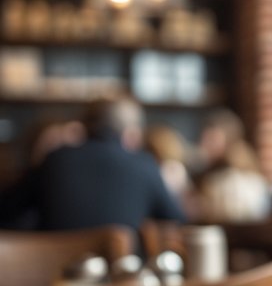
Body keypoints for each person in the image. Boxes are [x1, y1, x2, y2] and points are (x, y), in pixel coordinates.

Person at [0, 96, 185, 237]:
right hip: (124, 282)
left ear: (84, 126)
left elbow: (7, 210)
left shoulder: (54, 160)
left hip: (54, 280)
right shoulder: (144, 165)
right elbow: (179, 221)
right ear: (131, 133)